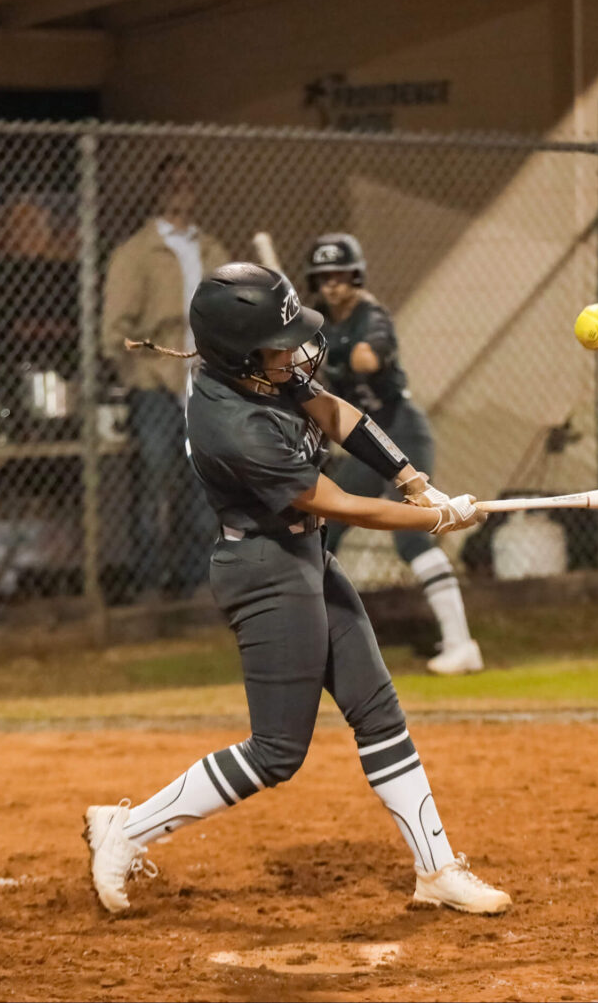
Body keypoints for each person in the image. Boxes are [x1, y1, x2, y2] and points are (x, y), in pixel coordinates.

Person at [83, 262, 510, 917]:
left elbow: (338, 415)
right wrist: (439, 517)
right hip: (264, 570)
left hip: (303, 555)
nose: (295, 353)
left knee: (378, 712)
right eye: (278, 343)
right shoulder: (233, 424)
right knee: (277, 751)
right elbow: (339, 502)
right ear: (239, 352)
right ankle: (127, 828)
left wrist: (411, 477)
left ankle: (436, 869)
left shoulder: (266, 371)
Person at [305, 233, 482, 675]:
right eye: (324, 276)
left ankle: (461, 644)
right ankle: (316, 641)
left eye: (340, 275)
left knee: (412, 533)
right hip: (363, 443)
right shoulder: (318, 323)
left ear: (356, 275)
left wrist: (328, 352)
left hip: (400, 431)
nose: (332, 284)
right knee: (322, 528)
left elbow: (367, 360)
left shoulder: (371, 314)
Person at [100, 154, 230, 600]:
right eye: (171, 182)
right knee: (154, 483)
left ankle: (194, 581)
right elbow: (113, 332)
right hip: (157, 385)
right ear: (157, 190)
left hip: (206, 384)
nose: (180, 190)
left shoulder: (211, 250)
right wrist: (144, 370)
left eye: (186, 181)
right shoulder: (137, 253)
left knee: (202, 484)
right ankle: (148, 581)